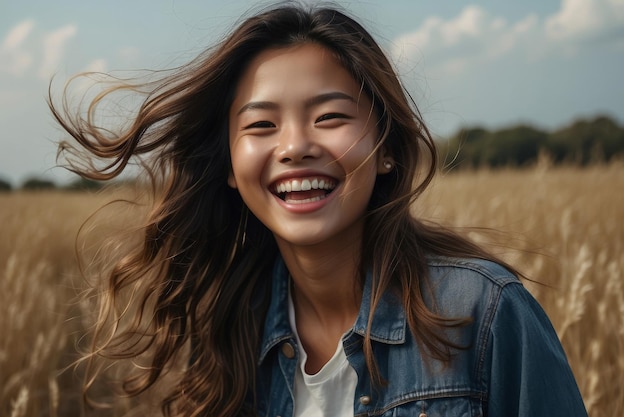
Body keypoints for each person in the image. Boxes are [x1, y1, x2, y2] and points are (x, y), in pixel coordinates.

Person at [50, 3, 588, 417]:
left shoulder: (482, 312)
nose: (294, 146)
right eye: (261, 125)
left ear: (388, 150)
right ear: (231, 171)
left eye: (329, 117)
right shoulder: (234, 329)